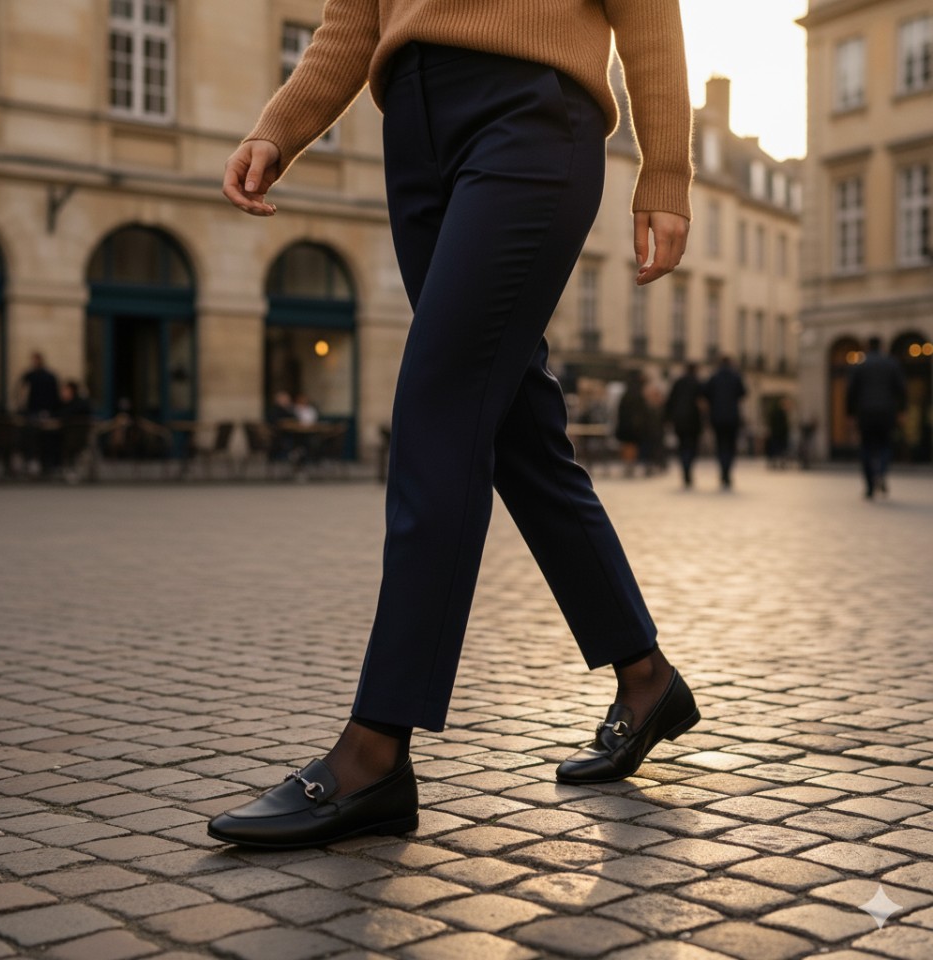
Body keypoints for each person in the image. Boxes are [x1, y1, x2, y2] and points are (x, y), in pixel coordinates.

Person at [209, 0, 700, 850]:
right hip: (415, 126)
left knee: (437, 407)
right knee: (517, 433)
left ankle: (374, 752)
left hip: (532, 115)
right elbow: (353, 18)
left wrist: (666, 172)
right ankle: (646, 676)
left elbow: (648, 11)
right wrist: (279, 127)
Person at [846, 336, 907, 499]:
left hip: (865, 413)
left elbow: (850, 393)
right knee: (885, 445)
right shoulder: (892, 364)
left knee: (866, 447)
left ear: (867, 346)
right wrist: (902, 411)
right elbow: (902, 390)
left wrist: (850, 414)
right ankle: (881, 472)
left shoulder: (859, 365)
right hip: (887, 412)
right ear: (882, 346)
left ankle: (870, 486)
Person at [703, 356, 746, 490]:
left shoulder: (714, 377)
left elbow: (706, 394)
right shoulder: (736, 376)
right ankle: (727, 471)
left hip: (717, 417)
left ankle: (723, 471)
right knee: (731, 446)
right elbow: (743, 393)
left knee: (721, 445)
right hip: (732, 418)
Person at [18, 352, 61, 476]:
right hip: (42, 411)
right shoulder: (41, 375)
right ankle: (44, 462)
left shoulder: (34, 376)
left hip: (37, 410)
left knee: (35, 434)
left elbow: (22, 392)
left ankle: (36, 460)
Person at [665, 362, 703, 488]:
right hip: (693, 420)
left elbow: (670, 401)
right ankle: (688, 469)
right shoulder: (698, 383)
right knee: (691, 446)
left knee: (682, 446)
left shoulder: (678, 382)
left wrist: (668, 418)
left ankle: (685, 469)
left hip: (679, 420)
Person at [614, 370, 650, 478]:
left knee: (627, 446)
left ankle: (628, 466)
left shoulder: (626, 394)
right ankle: (630, 466)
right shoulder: (638, 394)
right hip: (634, 426)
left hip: (626, 425)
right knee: (632, 446)